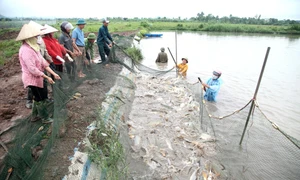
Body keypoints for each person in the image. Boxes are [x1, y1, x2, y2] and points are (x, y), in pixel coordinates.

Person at [16, 23, 61, 123]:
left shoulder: (34, 48)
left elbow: (43, 62)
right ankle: (44, 118)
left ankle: (34, 116)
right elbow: (32, 69)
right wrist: (46, 76)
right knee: (41, 98)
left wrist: (53, 73)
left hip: (39, 77)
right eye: (36, 37)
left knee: (39, 97)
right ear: (30, 38)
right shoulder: (26, 50)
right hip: (32, 79)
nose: (38, 38)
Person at [25, 21, 53, 109]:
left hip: (41, 67)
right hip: (33, 71)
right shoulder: (27, 47)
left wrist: (50, 61)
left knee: (43, 86)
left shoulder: (40, 40)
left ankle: (45, 99)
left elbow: (44, 52)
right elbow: (32, 68)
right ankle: (30, 100)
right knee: (34, 88)